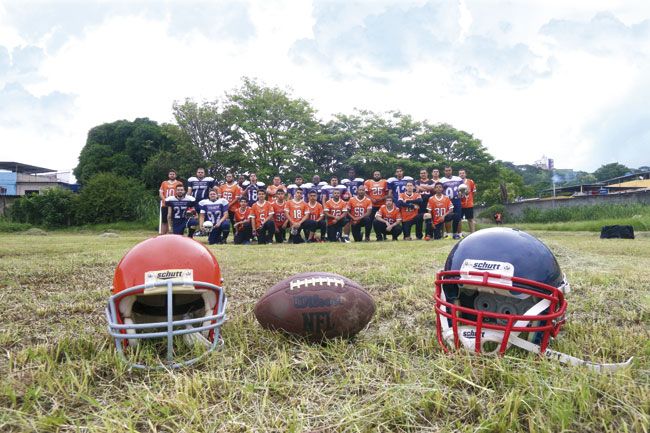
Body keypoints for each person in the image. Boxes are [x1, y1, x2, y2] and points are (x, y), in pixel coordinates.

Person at [439, 166, 464, 239]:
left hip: (456, 200)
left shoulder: (458, 179)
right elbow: (439, 190)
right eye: (446, 170)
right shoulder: (441, 180)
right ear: (444, 171)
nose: (448, 172)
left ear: (451, 170)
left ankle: (459, 234)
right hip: (447, 200)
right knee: (448, 218)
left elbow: (463, 188)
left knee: (458, 217)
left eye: (449, 170)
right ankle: (448, 234)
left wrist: (461, 193)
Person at [158, 169, 183, 234]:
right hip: (165, 204)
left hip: (175, 204)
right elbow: (161, 193)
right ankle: (163, 235)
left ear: (176, 175)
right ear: (168, 175)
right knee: (164, 220)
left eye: (173, 174)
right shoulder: (164, 183)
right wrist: (165, 200)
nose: (172, 175)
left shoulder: (179, 183)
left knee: (173, 219)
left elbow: (181, 193)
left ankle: (172, 234)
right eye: (170, 174)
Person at [219, 172, 243, 237]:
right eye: (227, 176)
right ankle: (222, 237)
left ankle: (236, 236)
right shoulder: (222, 186)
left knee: (234, 222)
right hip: (224, 208)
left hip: (233, 208)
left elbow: (237, 198)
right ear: (225, 178)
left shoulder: (236, 187)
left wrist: (228, 204)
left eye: (230, 176)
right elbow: (219, 197)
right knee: (222, 221)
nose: (228, 178)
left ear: (232, 178)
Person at [415, 168, 434, 240]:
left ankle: (428, 234)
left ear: (427, 174)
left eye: (424, 173)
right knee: (419, 219)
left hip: (429, 202)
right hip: (419, 203)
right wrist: (427, 188)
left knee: (429, 219)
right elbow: (426, 188)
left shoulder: (431, 181)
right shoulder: (417, 181)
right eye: (421, 173)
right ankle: (418, 235)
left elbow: (432, 188)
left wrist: (421, 187)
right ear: (420, 174)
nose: (423, 174)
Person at [458, 169, 477, 234]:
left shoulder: (470, 181)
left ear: (465, 174)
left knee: (470, 219)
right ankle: (459, 234)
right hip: (460, 204)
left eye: (463, 173)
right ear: (458, 175)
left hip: (468, 204)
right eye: (460, 173)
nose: (462, 174)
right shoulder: (457, 182)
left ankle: (473, 233)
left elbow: (473, 192)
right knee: (459, 219)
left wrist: (470, 198)